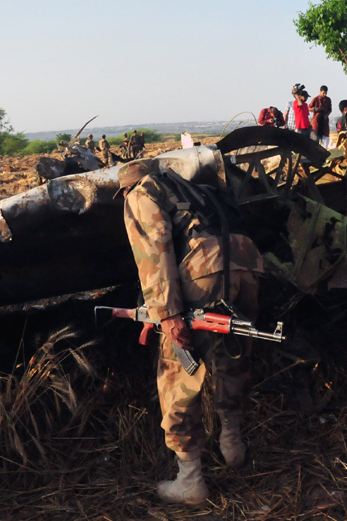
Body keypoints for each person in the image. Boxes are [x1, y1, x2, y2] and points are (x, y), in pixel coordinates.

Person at [117, 159, 264, 505]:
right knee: (232, 355)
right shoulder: (195, 191)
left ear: (127, 185)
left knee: (179, 373)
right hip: (245, 265)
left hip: (202, 271)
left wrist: (167, 312)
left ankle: (190, 480)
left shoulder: (140, 193)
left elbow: (154, 250)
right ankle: (232, 444)